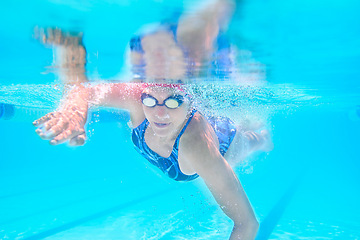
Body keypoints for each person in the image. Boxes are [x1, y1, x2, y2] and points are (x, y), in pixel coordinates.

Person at [33, 0, 273, 239]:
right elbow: (83, 90)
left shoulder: (198, 145)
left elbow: (247, 224)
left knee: (247, 143)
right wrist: (74, 113)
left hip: (223, 140)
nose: (159, 113)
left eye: (173, 101)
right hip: (188, 149)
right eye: (150, 100)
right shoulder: (137, 97)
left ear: (191, 101)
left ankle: (260, 138)